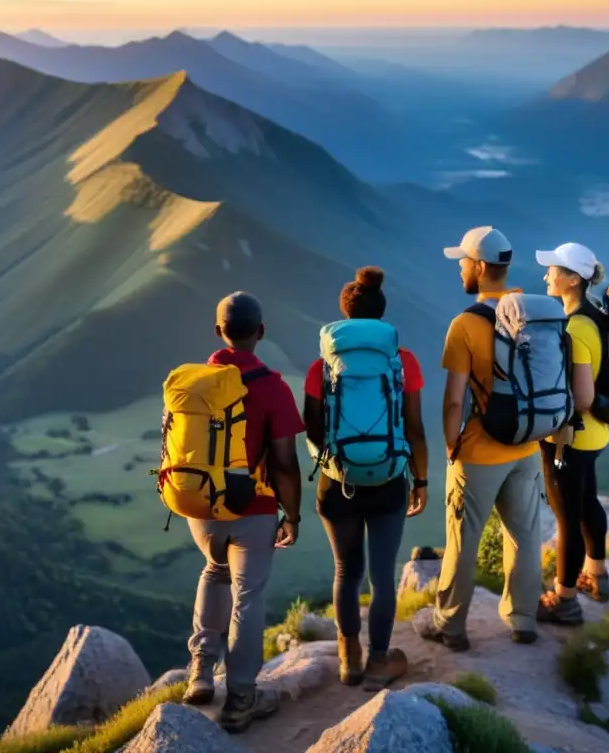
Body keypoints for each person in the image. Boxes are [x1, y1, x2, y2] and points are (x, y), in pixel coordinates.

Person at [413, 226, 544, 650]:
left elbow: (455, 400)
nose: (460, 269)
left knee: (462, 540)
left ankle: (450, 625)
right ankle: (523, 619)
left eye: (464, 262)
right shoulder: (535, 311)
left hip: (481, 450)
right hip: (527, 444)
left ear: (482, 266)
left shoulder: (467, 323)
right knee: (524, 536)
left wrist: (452, 446)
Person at [183, 292, 304, 734]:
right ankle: (239, 697)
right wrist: (292, 514)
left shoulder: (193, 381)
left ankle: (199, 672)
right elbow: (286, 462)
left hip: (200, 507)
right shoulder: (272, 387)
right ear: (261, 332)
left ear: (218, 332)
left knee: (213, 572)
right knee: (247, 596)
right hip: (252, 509)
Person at [304, 266, 430, 691]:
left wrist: (335, 464)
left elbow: (314, 429)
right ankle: (379, 660)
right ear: (381, 316)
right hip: (389, 479)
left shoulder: (320, 366)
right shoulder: (403, 362)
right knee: (382, 575)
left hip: (337, 483)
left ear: (344, 317)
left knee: (346, 571)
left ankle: (349, 657)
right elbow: (414, 427)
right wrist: (422, 479)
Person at [533, 243, 609, 626]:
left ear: (574, 279)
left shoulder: (576, 326)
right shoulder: (595, 316)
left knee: (568, 519)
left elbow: (583, 398)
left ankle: (564, 600)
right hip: (594, 436)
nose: (547, 275)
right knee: (588, 503)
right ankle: (597, 574)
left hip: (570, 438)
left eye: (554, 270)